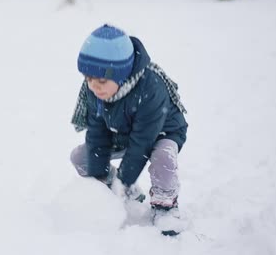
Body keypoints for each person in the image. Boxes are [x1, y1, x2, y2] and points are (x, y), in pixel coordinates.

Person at [70, 24, 189, 236]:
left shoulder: (150, 87)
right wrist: (100, 175)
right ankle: (129, 194)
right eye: (88, 79)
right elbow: (97, 133)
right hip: (122, 132)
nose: (94, 86)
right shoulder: (95, 91)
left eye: (101, 80)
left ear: (122, 74)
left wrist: (123, 179)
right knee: (81, 157)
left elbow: (142, 142)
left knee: (163, 157)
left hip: (162, 132)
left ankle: (165, 208)